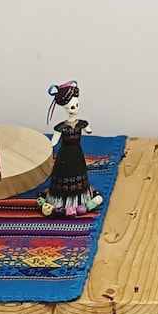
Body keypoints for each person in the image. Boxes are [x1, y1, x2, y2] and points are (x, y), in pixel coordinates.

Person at [37, 81, 103, 217]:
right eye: (72, 107)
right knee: (65, 172)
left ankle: (80, 200)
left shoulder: (81, 124)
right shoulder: (61, 127)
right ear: (65, 108)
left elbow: (88, 129)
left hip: (77, 153)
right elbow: (54, 141)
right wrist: (47, 146)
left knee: (78, 170)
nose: (75, 109)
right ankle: (62, 203)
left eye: (77, 105)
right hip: (65, 154)